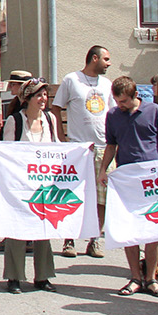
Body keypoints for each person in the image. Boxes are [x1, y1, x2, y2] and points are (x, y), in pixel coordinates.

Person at [98, 75, 158, 298]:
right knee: (130, 231)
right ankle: (135, 278)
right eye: (117, 101)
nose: (120, 106)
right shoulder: (113, 115)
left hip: (152, 179)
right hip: (127, 180)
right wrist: (103, 170)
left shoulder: (153, 111)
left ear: (135, 96)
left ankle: (150, 278)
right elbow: (111, 145)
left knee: (153, 231)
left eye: (124, 102)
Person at [0, 78, 58, 293]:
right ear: (27, 98)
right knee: (17, 228)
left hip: (44, 184)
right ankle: (14, 276)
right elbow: (7, 152)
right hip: (20, 183)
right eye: (39, 95)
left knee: (43, 228)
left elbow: (58, 148)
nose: (43, 99)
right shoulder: (16, 121)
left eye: (45, 94)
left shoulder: (50, 119)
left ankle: (42, 276)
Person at [52, 46, 113, 259]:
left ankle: (95, 239)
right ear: (94, 58)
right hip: (78, 148)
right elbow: (56, 108)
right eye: (105, 59)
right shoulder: (72, 80)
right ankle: (69, 239)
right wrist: (61, 137)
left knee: (101, 198)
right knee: (73, 194)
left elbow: (113, 113)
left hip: (103, 148)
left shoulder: (107, 85)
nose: (109, 63)